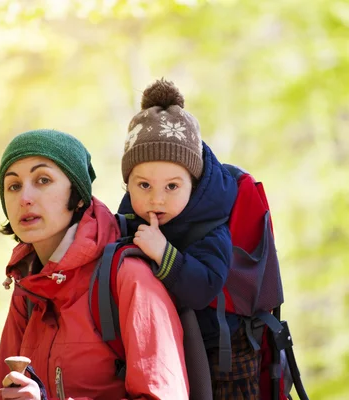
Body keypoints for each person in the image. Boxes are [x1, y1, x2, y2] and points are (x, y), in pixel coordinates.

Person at [0, 129, 188, 400]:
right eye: (13, 186)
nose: (24, 198)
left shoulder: (128, 277)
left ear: (79, 196)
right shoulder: (28, 289)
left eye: (43, 180)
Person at [117, 79, 261, 398]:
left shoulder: (211, 224)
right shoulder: (130, 214)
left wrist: (163, 252)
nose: (157, 199)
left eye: (172, 187)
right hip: (165, 347)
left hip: (221, 360)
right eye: (143, 186)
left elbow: (204, 287)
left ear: (193, 184)